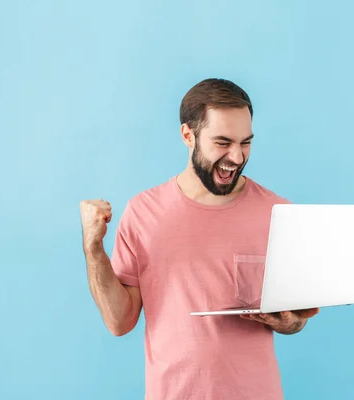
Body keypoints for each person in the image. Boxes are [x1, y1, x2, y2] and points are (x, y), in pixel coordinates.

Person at [79, 78, 319, 400]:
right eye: (222, 142)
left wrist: (287, 320)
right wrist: (94, 249)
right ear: (188, 136)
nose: (236, 157)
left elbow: (296, 322)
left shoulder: (278, 212)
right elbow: (119, 322)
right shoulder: (143, 212)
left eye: (245, 142)